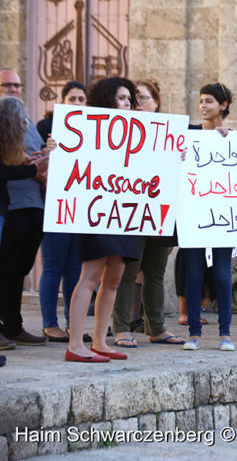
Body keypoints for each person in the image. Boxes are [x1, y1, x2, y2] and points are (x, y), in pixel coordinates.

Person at [65, 77, 141, 362]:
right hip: (96, 210)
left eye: (129, 99)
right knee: (91, 276)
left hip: (124, 213)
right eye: (121, 98)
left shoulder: (139, 134)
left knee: (115, 279)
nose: (127, 103)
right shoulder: (87, 130)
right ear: (107, 100)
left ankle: (99, 341)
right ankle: (75, 344)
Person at [112, 79, 185, 347]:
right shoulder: (120, 131)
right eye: (133, 98)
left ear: (156, 102)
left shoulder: (172, 132)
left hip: (160, 211)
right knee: (127, 272)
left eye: (143, 98)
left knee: (155, 272)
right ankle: (121, 327)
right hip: (131, 211)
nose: (137, 103)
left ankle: (156, 328)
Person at [0, 69, 52, 351]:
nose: (13, 89)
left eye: (17, 84)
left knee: (21, 270)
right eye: (7, 84)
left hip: (34, 204)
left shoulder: (26, 121)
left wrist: (41, 160)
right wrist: (31, 167)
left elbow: (30, 158)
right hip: (8, 207)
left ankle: (13, 326)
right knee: (3, 269)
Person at [181, 83, 235, 351]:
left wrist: (226, 142)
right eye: (201, 100)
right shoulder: (188, 134)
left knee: (223, 274)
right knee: (194, 274)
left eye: (209, 101)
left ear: (223, 105)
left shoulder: (232, 137)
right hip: (193, 213)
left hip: (223, 216)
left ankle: (225, 333)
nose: (203, 106)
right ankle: (194, 333)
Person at [37, 81, 87, 342]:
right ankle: (49, 324)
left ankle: (73, 324)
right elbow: (39, 161)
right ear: (62, 101)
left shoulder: (93, 130)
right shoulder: (46, 128)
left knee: (74, 269)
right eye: (73, 99)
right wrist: (49, 150)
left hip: (80, 207)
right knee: (53, 267)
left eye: (81, 99)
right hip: (55, 206)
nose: (77, 103)